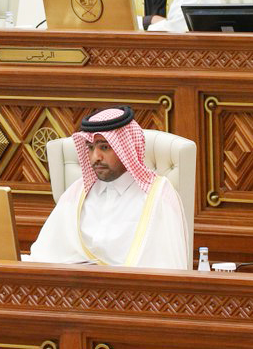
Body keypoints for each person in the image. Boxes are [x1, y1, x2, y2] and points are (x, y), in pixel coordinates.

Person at [26, 106, 189, 269]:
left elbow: (167, 268)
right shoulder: (78, 192)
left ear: (126, 148)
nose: (95, 157)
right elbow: (43, 255)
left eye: (104, 147)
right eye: (90, 148)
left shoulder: (157, 194)